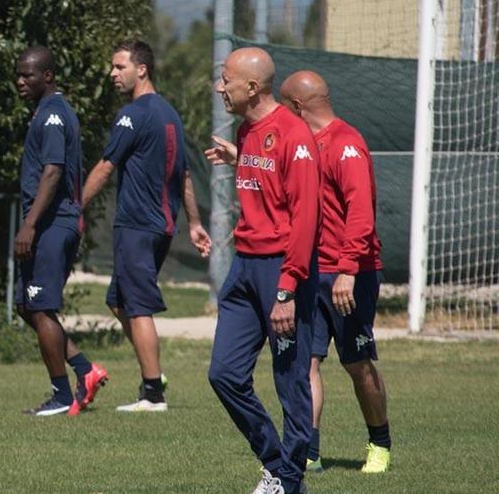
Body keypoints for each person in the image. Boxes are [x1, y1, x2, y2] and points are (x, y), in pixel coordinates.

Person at [206, 47, 319, 494]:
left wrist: (287, 290)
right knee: (224, 374)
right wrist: (240, 157)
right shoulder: (247, 130)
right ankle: (276, 463)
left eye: (226, 79)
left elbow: (305, 219)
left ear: (252, 87)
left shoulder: (295, 134)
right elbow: (267, 177)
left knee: (290, 381)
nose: (220, 87)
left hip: (282, 270)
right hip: (244, 266)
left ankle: (289, 479)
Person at [80, 40, 210, 412]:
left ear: (142, 69)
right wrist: (194, 223)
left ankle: (153, 393)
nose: (112, 74)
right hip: (160, 226)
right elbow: (184, 174)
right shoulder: (169, 113)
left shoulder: (132, 114)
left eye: (119, 67)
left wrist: (75, 208)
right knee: (118, 301)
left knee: (137, 307)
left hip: (137, 225)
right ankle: (153, 373)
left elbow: (105, 167)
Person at [279, 70, 391, 475]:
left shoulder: (346, 144)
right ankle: (309, 451)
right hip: (313, 272)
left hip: (351, 273)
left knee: (356, 364)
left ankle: (380, 443)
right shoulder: (306, 144)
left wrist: (347, 269)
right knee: (307, 363)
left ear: (297, 107)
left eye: (283, 107)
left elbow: (360, 212)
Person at [13, 46, 108, 416]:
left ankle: (62, 396)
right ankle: (85, 370)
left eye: (28, 75)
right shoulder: (45, 110)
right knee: (26, 305)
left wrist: (29, 225)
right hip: (47, 223)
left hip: (52, 224)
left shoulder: (53, 114)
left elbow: (53, 172)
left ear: (48, 76)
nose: (21, 81)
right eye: (18, 74)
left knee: (41, 306)